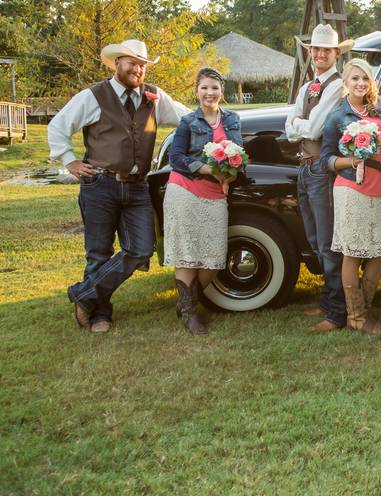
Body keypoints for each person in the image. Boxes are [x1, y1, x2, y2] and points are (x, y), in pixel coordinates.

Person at [48, 39, 190, 333]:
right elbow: (58, 126)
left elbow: (187, 117)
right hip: (100, 183)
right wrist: (70, 161)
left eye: (142, 64)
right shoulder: (94, 96)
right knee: (98, 252)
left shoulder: (153, 96)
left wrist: (219, 120)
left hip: (138, 187)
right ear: (117, 63)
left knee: (141, 249)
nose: (137, 69)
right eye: (131, 62)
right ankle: (100, 314)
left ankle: (84, 296)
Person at [319, 58, 381, 334]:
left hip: (380, 183)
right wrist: (350, 160)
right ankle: (358, 318)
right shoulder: (338, 116)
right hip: (351, 186)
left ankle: (360, 310)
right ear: (346, 83)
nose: (360, 84)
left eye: (365, 79)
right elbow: (325, 159)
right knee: (352, 252)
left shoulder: (380, 106)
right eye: (355, 79)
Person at [284, 24, 353, 333]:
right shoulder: (307, 86)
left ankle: (338, 312)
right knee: (313, 238)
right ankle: (328, 301)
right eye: (315, 49)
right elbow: (290, 126)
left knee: (327, 242)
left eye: (326, 50)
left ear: (336, 54)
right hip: (304, 167)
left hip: (321, 171)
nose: (319, 54)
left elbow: (312, 130)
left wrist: (300, 123)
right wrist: (300, 123)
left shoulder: (338, 86)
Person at [163, 68, 242, 334]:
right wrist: (207, 169)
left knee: (212, 258)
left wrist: (230, 173)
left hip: (215, 195)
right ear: (196, 90)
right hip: (184, 191)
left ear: (222, 92)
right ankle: (189, 312)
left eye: (215, 88)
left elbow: (239, 154)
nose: (210, 93)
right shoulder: (188, 121)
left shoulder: (232, 120)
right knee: (187, 255)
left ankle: (187, 301)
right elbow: (176, 158)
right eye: (204, 88)